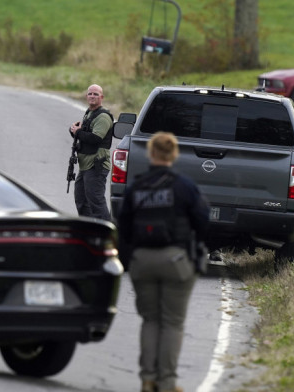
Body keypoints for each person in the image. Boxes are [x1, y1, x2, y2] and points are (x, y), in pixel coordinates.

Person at [117, 132, 209, 392]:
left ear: (151, 153)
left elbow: (123, 226)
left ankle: (147, 379)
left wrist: (129, 258)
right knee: (172, 322)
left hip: (142, 260)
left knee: (150, 320)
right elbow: (202, 220)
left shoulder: (136, 186)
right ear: (174, 154)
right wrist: (193, 249)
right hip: (176, 259)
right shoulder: (185, 186)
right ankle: (167, 382)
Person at [69, 84, 113, 220]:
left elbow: (95, 138)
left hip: (96, 166)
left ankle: (107, 233)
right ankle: (88, 231)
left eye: (95, 94)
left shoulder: (103, 116)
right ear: (86, 96)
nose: (92, 96)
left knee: (96, 202)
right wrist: (74, 131)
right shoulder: (89, 113)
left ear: (102, 97)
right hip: (86, 165)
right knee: (81, 200)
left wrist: (79, 132)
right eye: (90, 94)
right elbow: (85, 137)